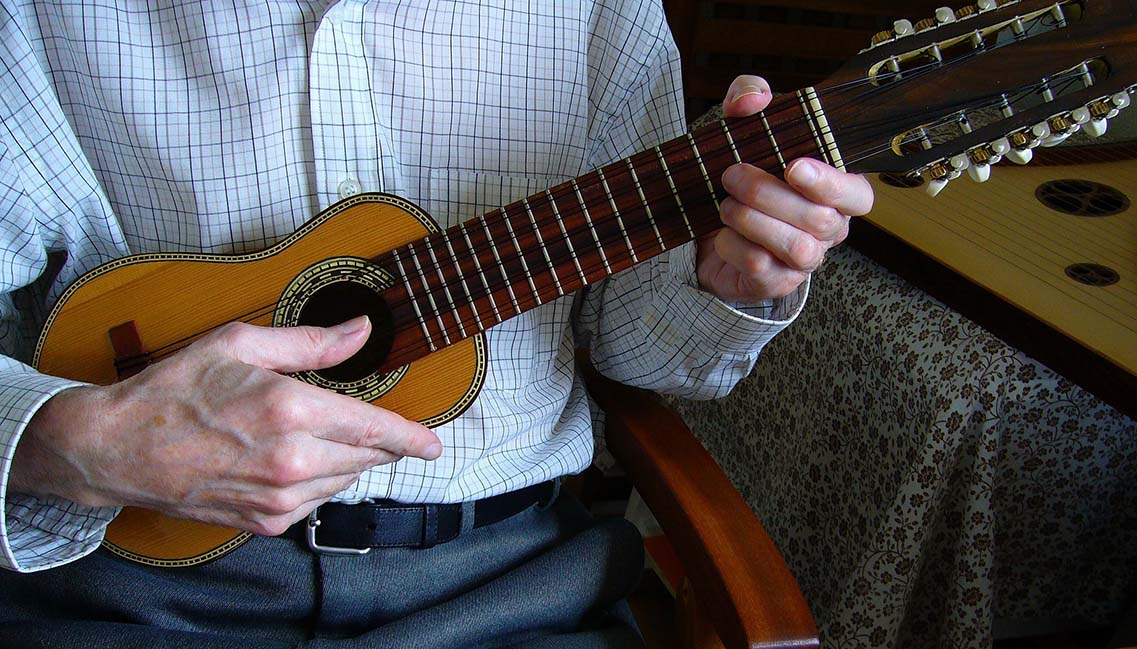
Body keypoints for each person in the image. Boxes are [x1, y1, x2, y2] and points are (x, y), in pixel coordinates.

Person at [0, 1, 873, 647]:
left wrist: (721, 282)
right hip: (135, 588)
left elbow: (628, 345)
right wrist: (75, 440)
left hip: (503, 588)